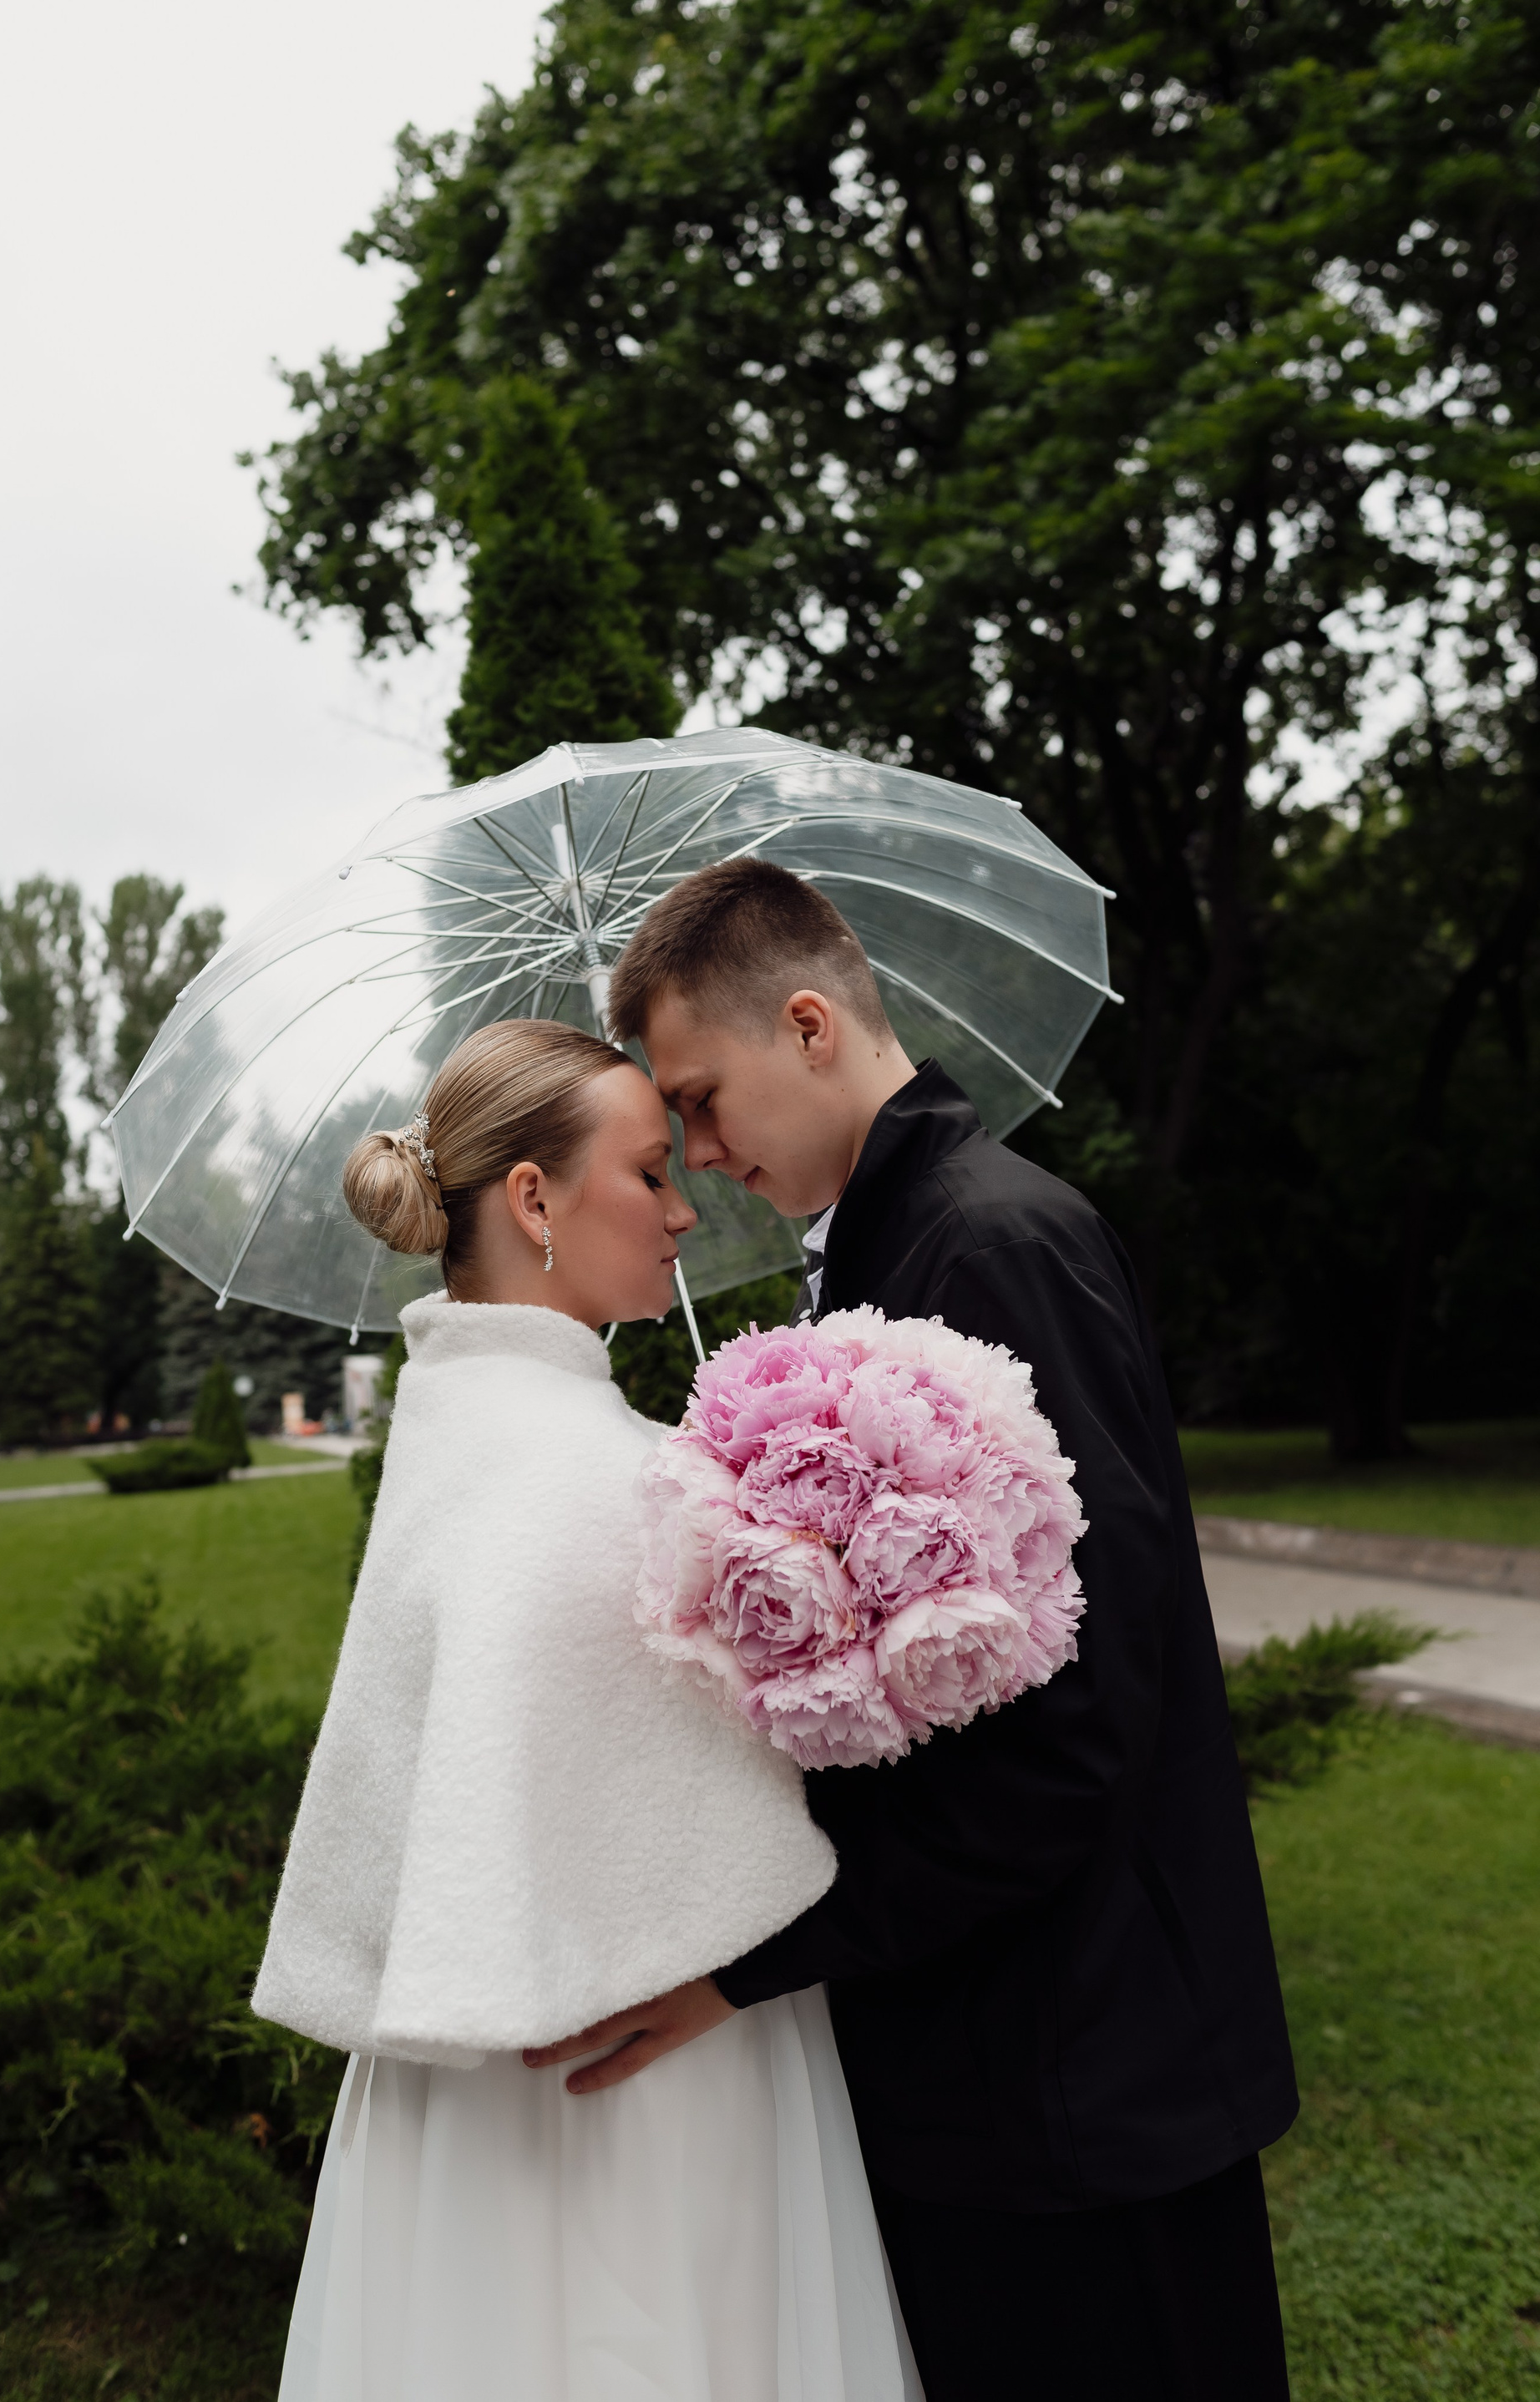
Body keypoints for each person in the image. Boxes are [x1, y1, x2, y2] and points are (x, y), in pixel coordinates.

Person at [531, 860, 1299, 2402]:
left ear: (809, 1025)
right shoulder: (891, 1255)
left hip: (1084, 2072)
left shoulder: (989, 1251)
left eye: (700, 1098)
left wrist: (761, 1963)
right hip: (994, 2063)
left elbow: (1074, 1729)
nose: (699, 1153)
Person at [254, 1017, 919, 2402]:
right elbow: (739, 1823)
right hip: (642, 2092)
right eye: (649, 1172)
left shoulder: (464, 1432)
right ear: (533, 1199)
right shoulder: (589, 1478)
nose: (685, 1211)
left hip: (471, 2110)